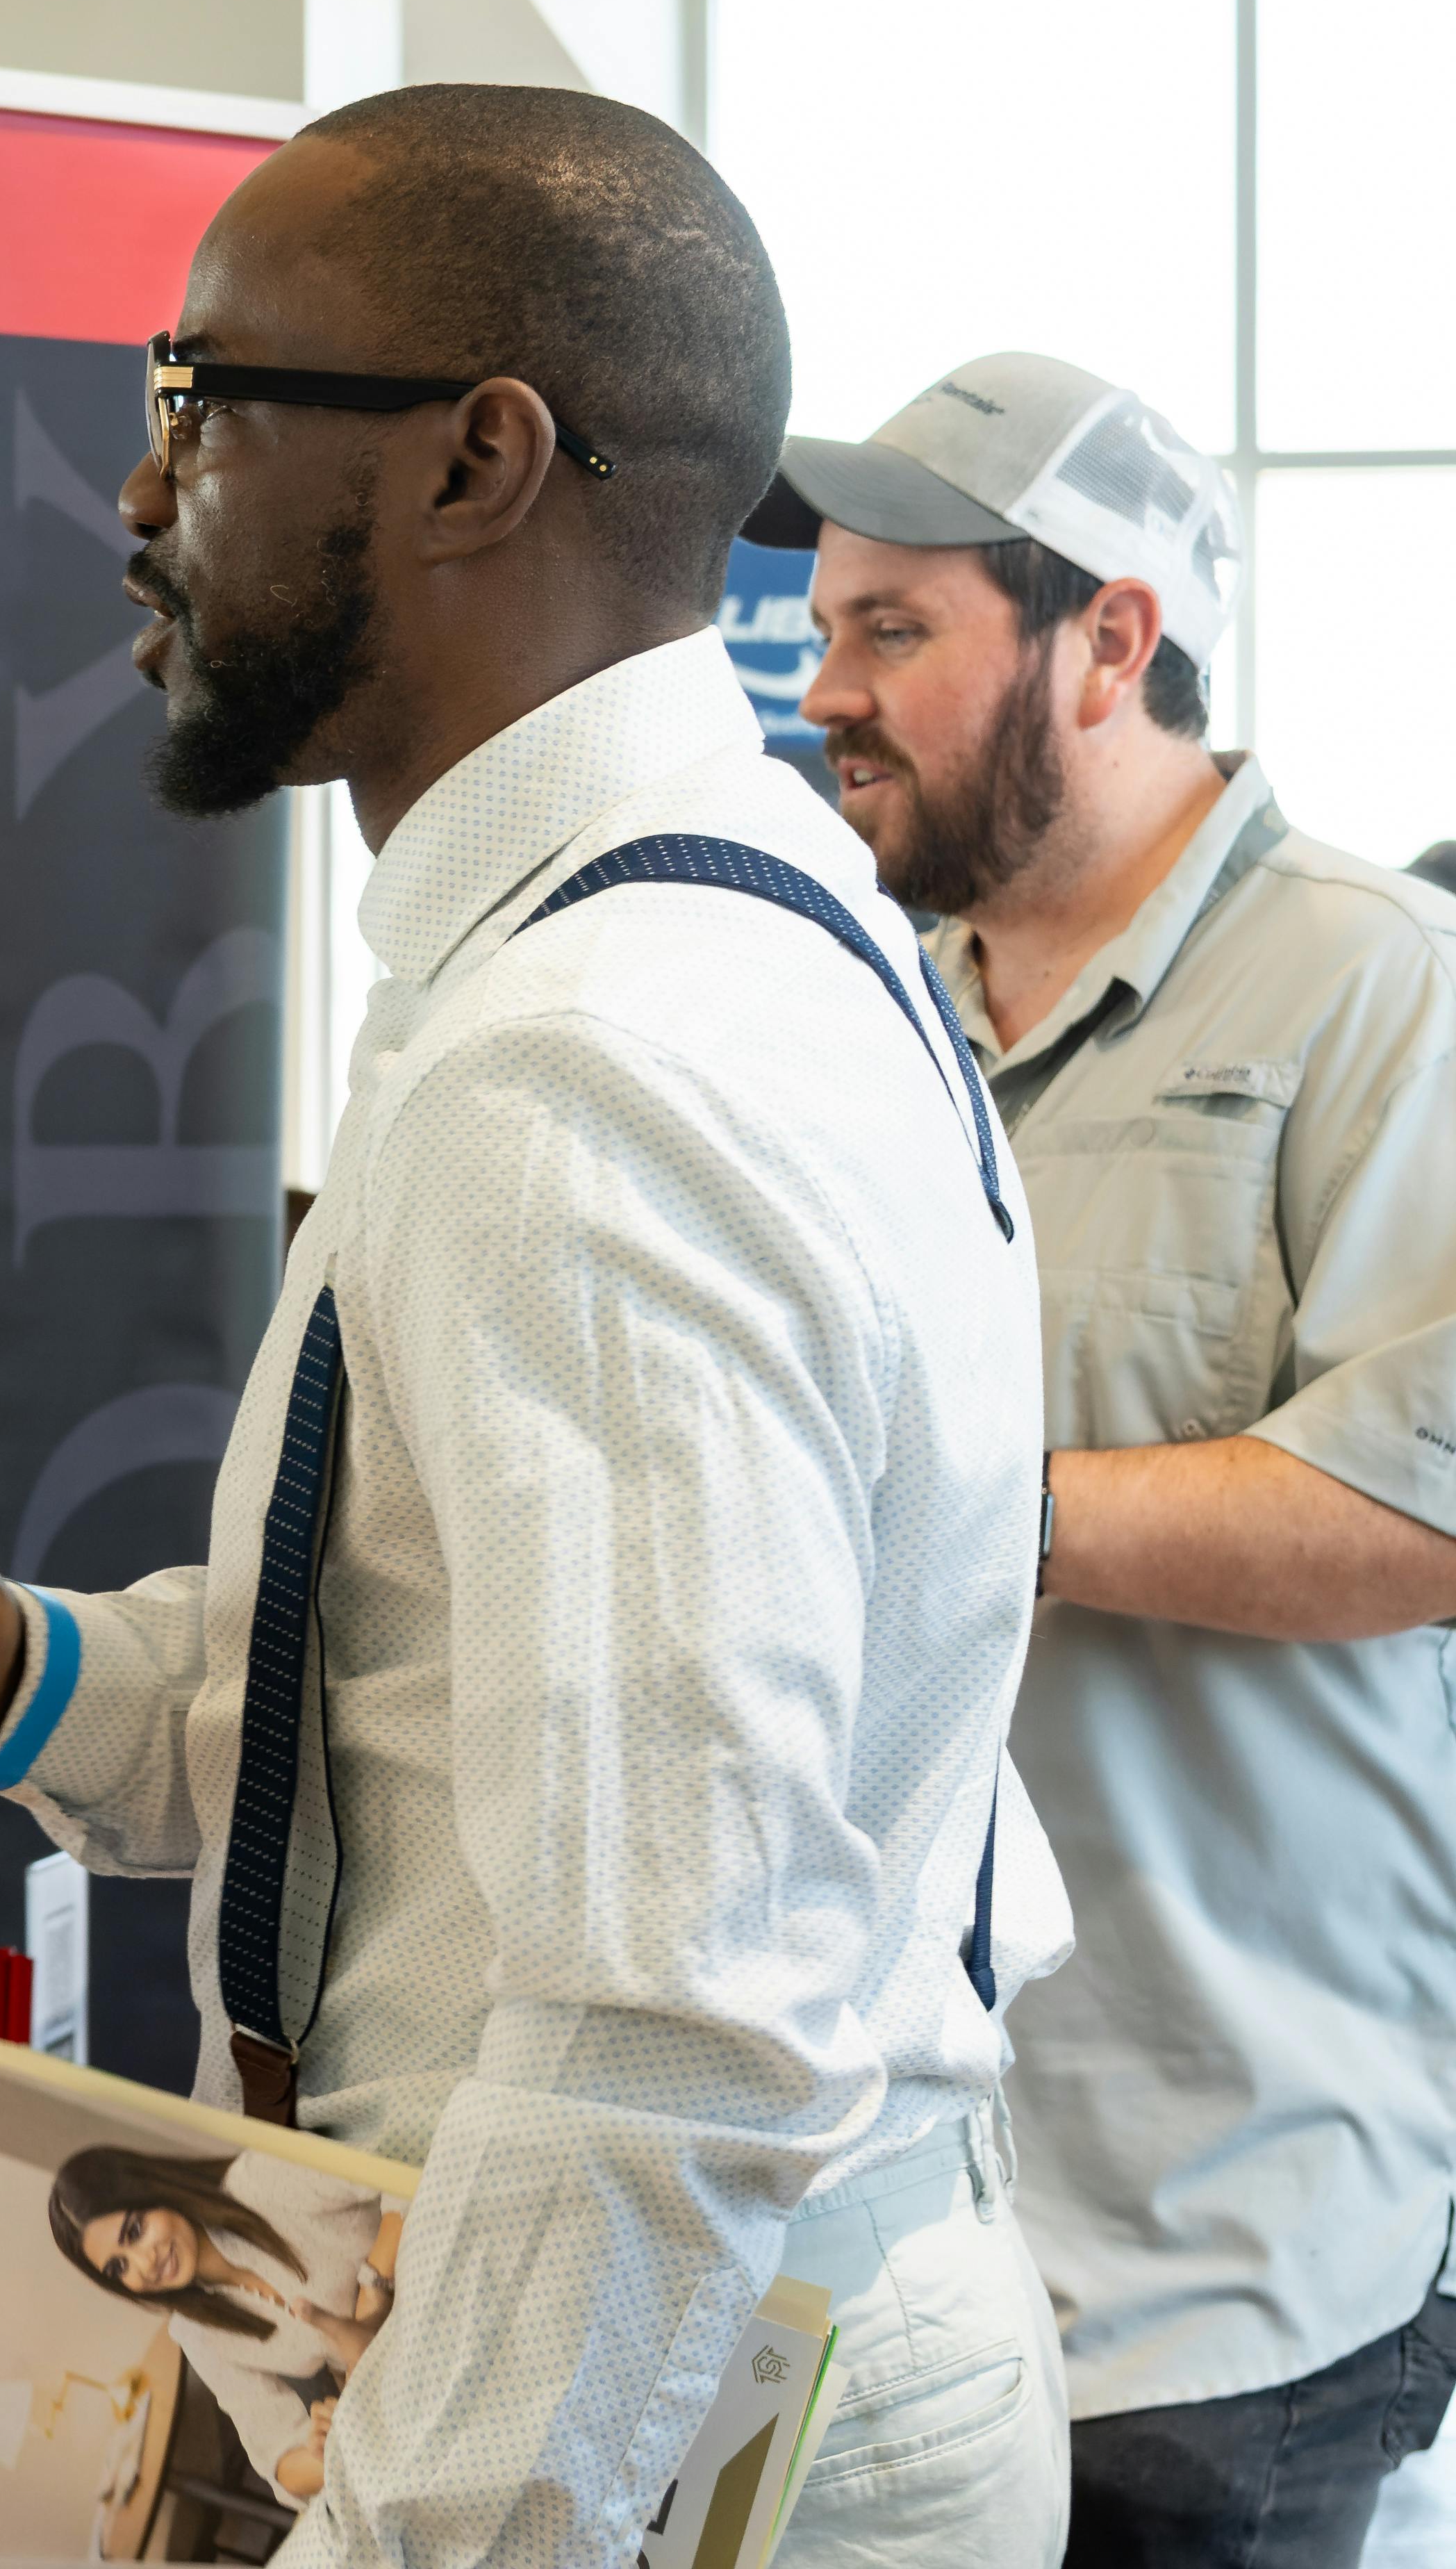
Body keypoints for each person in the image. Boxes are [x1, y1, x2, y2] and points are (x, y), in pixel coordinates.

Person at [0, 85, 1076, 2563]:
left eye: (198, 399)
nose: (137, 497)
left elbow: (665, 2011)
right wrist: (23, 1692)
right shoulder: (686, 929)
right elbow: (469, 1740)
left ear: (478, 460)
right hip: (661, 2350)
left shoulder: (599, 1050)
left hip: (677, 2407)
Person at [761, 354, 1456, 2569]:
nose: (820, 684)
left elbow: (1407, 1517)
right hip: (875, 2226)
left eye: (892, 628)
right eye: (814, 626)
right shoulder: (855, 1012)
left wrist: (943, 1514)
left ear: (1108, 641)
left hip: (1217, 2239)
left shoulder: (1384, 990)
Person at [50, 2146, 390, 2502]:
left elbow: (394, 2163)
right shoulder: (196, 2332)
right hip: (389, 2384)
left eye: (136, 2231)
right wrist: (329, 2447)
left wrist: (374, 2289)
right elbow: (280, 2461)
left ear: (155, 2189)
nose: (144, 2265)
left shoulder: (257, 2181)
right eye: (119, 2268)